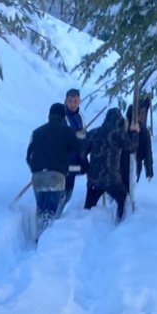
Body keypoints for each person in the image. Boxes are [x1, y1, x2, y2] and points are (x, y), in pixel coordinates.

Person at [26, 104, 85, 238]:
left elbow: (28, 156)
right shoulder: (67, 131)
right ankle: (45, 242)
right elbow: (80, 150)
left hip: (37, 177)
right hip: (56, 176)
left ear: (49, 115)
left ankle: (38, 237)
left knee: (41, 209)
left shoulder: (36, 132)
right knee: (52, 212)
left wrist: (35, 169)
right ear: (63, 116)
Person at [84, 108, 139, 222]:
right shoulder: (118, 134)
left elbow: (82, 152)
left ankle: (84, 225)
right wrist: (134, 132)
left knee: (88, 207)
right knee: (122, 199)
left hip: (94, 177)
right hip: (111, 177)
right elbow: (132, 147)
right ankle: (119, 222)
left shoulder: (93, 133)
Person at [121, 96, 154, 188]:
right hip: (124, 163)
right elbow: (148, 152)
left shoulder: (143, 130)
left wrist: (149, 170)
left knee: (128, 187)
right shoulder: (123, 127)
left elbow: (147, 152)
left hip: (133, 162)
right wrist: (149, 170)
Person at [63, 87, 88, 205]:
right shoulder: (62, 116)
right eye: (70, 101)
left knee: (69, 190)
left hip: (76, 160)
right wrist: (75, 135)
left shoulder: (80, 117)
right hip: (63, 159)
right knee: (61, 190)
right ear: (65, 101)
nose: (73, 104)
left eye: (76, 101)